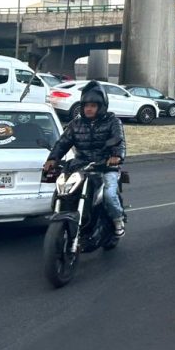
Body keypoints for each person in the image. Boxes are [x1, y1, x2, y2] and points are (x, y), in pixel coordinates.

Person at [43, 81, 127, 236]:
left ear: (101, 106)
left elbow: (118, 141)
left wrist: (116, 156)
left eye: (93, 105)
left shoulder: (112, 122)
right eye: (86, 105)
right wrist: (52, 159)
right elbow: (63, 142)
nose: (89, 108)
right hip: (80, 166)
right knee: (64, 191)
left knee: (109, 194)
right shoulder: (76, 124)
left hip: (105, 166)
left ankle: (118, 220)